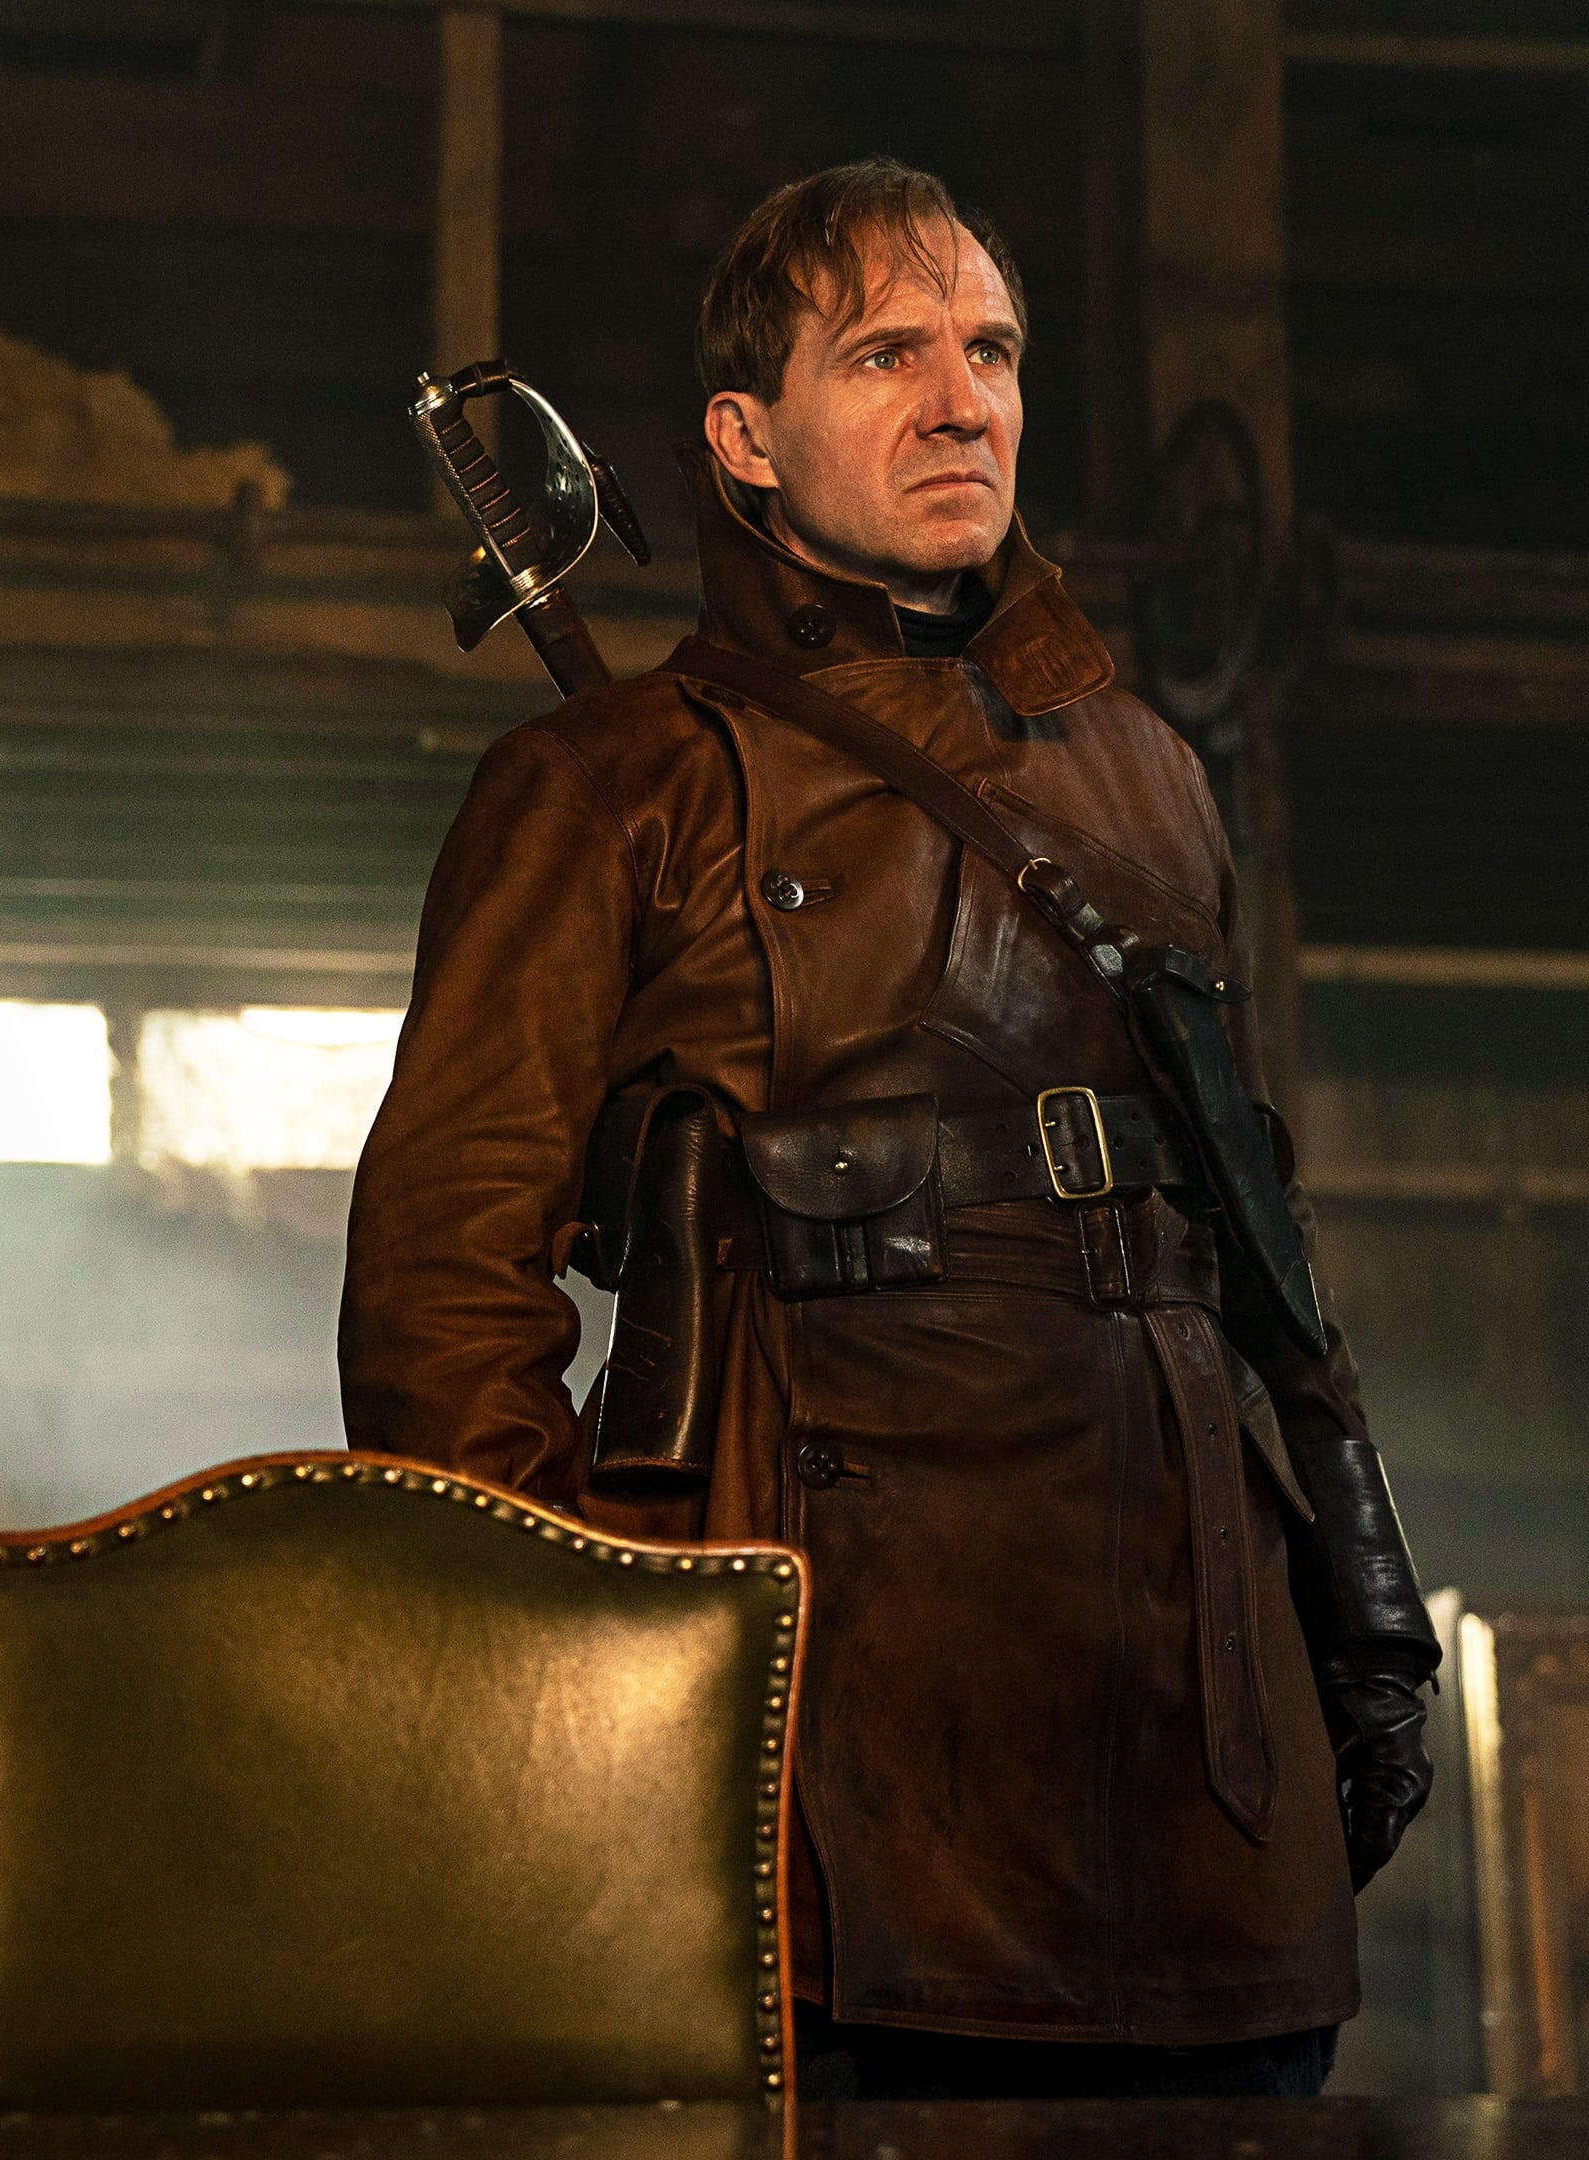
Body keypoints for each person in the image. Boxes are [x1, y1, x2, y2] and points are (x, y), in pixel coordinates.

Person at [338, 160, 1438, 2100]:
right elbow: (440, 1291)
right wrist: (584, 1664)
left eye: (991, 352)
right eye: (886, 355)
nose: (961, 402)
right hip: (819, 1752)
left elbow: (1263, 1245)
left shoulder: (1157, 780)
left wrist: (1357, 1599)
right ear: (744, 439)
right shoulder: (609, 785)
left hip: (1197, 1732)